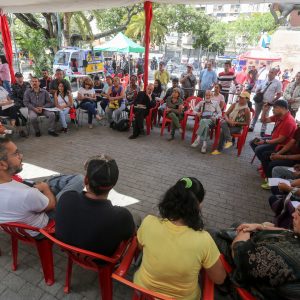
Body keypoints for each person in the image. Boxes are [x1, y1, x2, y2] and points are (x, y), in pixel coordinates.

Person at [134, 177, 226, 299]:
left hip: (144, 290)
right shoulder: (204, 240)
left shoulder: (148, 222)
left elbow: (140, 247)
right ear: (198, 206)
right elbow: (219, 279)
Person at [0, 137, 84, 237]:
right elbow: (51, 205)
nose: (21, 156)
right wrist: (45, 188)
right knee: (79, 179)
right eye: (16, 153)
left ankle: (55, 181)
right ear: (2, 164)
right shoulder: (26, 193)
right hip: (42, 227)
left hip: (15, 226)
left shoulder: (18, 189)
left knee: (51, 183)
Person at [56, 154, 135, 256]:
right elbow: (129, 235)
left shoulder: (67, 197)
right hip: (100, 260)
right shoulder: (121, 216)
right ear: (113, 184)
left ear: (85, 180)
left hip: (69, 250)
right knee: (136, 219)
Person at [229, 214, 300, 300]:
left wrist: (245, 231)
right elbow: (287, 231)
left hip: (251, 291)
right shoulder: (296, 236)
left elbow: (239, 253)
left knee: (211, 236)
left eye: (299, 213)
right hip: (257, 250)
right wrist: (260, 226)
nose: (293, 214)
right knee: (239, 225)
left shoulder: (280, 254)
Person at [250, 100, 297, 172]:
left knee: (258, 149)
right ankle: (264, 163)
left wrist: (265, 141)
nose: (273, 109)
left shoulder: (289, 121)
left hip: (281, 145)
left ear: (283, 108)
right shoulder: (278, 116)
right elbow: (263, 120)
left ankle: (266, 167)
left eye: (275, 107)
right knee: (253, 142)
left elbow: (281, 140)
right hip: (274, 139)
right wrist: (264, 110)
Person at [249, 68, 282, 135]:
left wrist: (271, 102)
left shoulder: (278, 83)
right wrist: (258, 91)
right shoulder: (264, 80)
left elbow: (279, 95)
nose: (270, 73)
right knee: (256, 114)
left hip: (267, 102)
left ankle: (263, 130)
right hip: (259, 100)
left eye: (272, 72)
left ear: (275, 74)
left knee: (265, 116)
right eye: (269, 72)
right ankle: (252, 126)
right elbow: (258, 88)